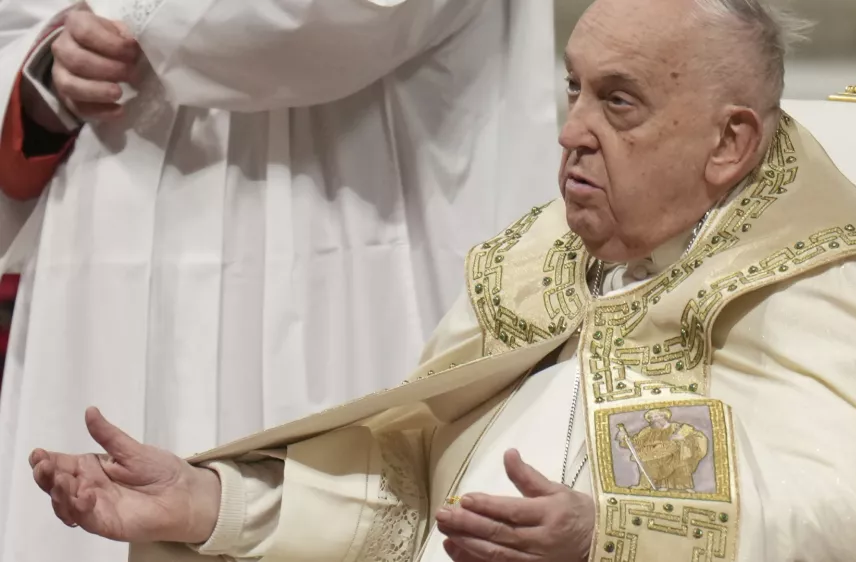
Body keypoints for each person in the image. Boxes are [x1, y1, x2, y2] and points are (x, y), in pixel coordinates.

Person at [30, 0, 856, 560]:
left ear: (729, 142)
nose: (572, 131)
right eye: (571, 89)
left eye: (618, 104)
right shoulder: (539, 264)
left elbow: (854, 513)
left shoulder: (831, 283)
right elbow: (412, 505)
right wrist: (214, 505)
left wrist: (607, 539)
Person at [0, 1, 559, 561]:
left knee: (336, 490)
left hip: (344, 217)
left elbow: (350, 19)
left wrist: (132, 13)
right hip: (109, 208)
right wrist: (48, 70)